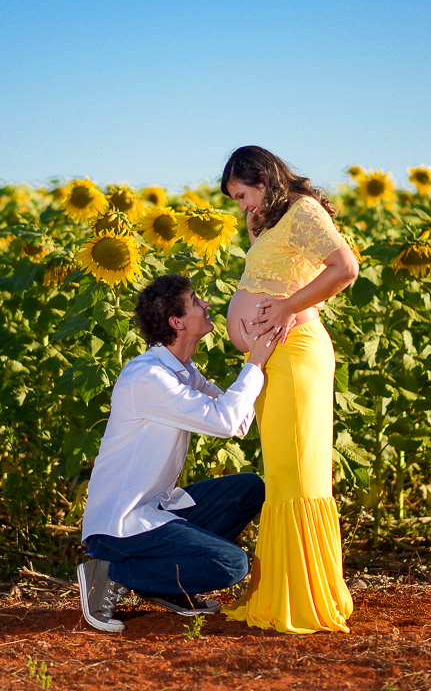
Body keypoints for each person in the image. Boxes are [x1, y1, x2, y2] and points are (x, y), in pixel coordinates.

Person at [77, 273, 280, 633]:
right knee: (231, 565)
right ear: (176, 321)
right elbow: (226, 421)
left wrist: (256, 360)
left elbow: (239, 421)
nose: (206, 305)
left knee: (249, 488)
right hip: (120, 526)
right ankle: (110, 571)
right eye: (196, 301)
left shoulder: (183, 371)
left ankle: (166, 585)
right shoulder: (148, 377)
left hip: (157, 508)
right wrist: (255, 362)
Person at [220, 145, 359, 634]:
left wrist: (284, 308)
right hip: (272, 360)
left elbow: (345, 268)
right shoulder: (268, 220)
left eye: (243, 194)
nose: (242, 207)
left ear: (262, 177)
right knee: (282, 474)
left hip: (297, 354)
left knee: (298, 474)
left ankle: (305, 599)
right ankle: (281, 588)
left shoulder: (303, 210)